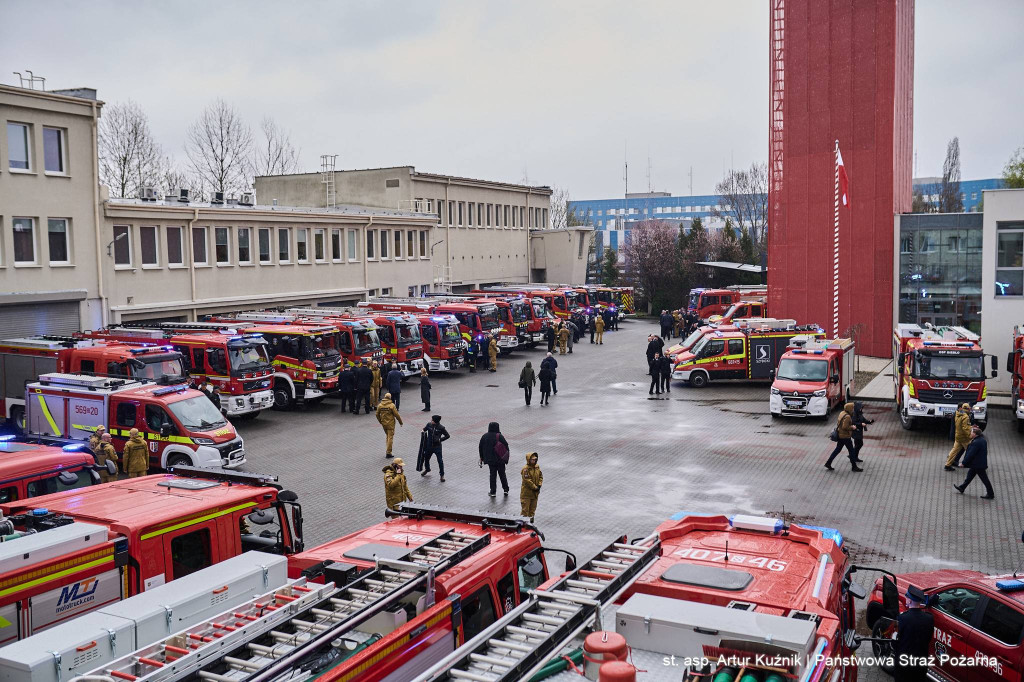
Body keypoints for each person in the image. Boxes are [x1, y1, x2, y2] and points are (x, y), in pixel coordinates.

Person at [893, 585, 934, 682]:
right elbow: (928, 638)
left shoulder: (902, 618)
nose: (906, 598)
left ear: (910, 601)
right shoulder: (929, 618)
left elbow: (894, 642)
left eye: (907, 596)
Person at [954, 425, 994, 499]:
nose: (970, 434)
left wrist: (963, 463)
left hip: (978, 465)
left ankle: (990, 494)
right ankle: (962, 487)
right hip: (977, 464)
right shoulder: (982, 440)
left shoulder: (976, 442)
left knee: (985, 479)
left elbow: (970, 454)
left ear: (975, 434)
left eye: (971, 432)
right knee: (969, 476)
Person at [825, 403, 862, 471]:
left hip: (840, 435)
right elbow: (844, 427)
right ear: (849, 408)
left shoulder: (842, 413)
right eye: (852, 408)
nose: (853, 409)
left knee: (837, 450)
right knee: (851, 451)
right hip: (845, 436)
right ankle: (854, 467)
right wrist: (852, 427)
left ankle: (828, 463)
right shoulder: (847, 416)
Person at [478, 421, 510, 497]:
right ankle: (506, 490)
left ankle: (493, 492)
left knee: (493, 475)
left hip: (490, 460)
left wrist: (482, 457)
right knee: (502, 474)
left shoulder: (484, 436)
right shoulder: (499, 436)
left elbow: (480, 447)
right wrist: (506, 457)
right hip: (500, 459)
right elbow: (506, 446)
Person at [420, 415, 450, 481]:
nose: (431, 420)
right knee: (426, 458)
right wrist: (422, 431)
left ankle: (442, 475)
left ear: (435, 421)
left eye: (432, 420)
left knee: (440, 461)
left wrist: (440, 440)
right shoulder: (429, 425)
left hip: (437, 447)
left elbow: (447, 436)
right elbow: (424, 429)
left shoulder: (441, 428)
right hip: (429, 446)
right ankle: (427, 469)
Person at [944, 403, 972, 471]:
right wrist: (970, 436)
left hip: (958, 436)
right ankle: (976, 465)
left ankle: (947, 465)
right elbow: (965, 428)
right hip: (964, 438)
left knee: (954, 451)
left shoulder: (957, 413)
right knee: (972, 450)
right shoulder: (965, 416)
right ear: (968, 409)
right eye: (969, 408)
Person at [375, 392, 403, 458]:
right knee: (390, 438)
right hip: (390, 424)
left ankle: (388, 449)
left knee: (387, 436)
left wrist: (380, 421)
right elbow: (396, 415)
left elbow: (377, 414)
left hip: (384, 424)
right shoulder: (392, 405)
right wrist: (400, 422)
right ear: (390, 397)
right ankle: (388, 452)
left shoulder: (380, 405)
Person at [520, 452, 543, 521]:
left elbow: (540, 476)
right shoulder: (525, 469)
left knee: (532, 511)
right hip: (526, 494)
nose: (534, 461)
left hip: (535, 494)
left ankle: (530, 524)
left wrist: (539, 485)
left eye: (535, 459)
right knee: (525, 511)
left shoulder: (537, 467)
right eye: (532, 460)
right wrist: (535, 487)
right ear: (528, 460)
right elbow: (527, 480)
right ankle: (523, 525)